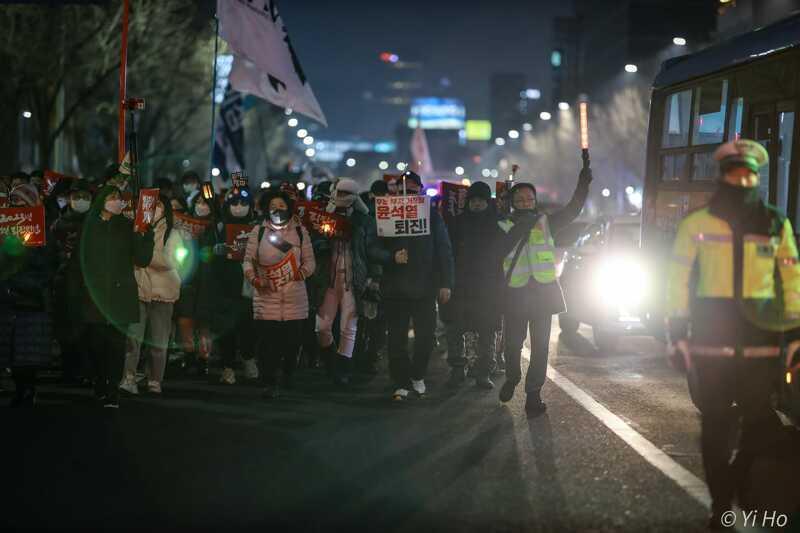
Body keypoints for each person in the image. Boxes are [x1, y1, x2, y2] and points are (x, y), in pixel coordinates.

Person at [665, 139, 800, 529]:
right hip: (711, 342)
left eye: (749, 174)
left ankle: (734, 483)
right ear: (723, 178)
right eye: (734, 173)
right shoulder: (697, 223)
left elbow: (791, 281)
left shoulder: (776, 222)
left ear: (756, 178)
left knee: (760, 424)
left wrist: (793, 335)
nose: (742, 180)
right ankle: (721, 506)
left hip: (761, 343)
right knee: (716, 427)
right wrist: (677, 332)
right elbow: (676, 281)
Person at [498, 167, 591, 417]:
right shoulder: (503, 225)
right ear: (512, 203)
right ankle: (512, 377)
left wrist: (584, 182)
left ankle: (533, 394)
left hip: (542, 296)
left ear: (535, 201)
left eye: (530, 198)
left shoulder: (546, 222)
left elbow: (574, 209)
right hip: (515, 296)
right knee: (512, 344)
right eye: (520, 199)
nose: (526, 203)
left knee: (540, 348)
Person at [372, 171, 454, 401]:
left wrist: (446, 282)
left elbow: (444, 250)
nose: (407, 192)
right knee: (396, 340)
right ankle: (401, 381)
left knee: (425, 338)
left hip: (425, 287)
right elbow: (371, 248)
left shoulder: (431, 215)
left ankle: (417, 375)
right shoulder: (385, 213)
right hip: (395, 289)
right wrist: (390, 257)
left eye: (412, 188)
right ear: (395, 191)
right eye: (402, 188)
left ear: (420, 190)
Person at [75, 184, 154, 408]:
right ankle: (100, 382)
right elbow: (78, 263)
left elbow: (142, 259)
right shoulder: (88, 227)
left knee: (116, 346)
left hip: (119, 295)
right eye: (112, 197)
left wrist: (146, 237)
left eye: (119, 198)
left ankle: (112, 390)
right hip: (94, 296)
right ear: (101, 201)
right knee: (96, 345)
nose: (117, 202)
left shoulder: (127, 227)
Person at [243, 189, 315, 398]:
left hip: (295, 297)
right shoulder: (259, 232)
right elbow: (248, 260)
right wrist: (254, 279)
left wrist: (302, 273)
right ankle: (268, 381)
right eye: (273, 206)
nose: (277, 210)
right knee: (268, 344)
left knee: (292, 342)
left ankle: (289, 374)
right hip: (266, 297)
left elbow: (310, 261)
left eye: (282, 206)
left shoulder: (301, 232)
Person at [313, 178, 381, 385]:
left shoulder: (364, 220)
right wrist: (322, 243)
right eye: (339, 193)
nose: (341, 198)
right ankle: (330, 362)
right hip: (328, 278)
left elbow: (372, 249)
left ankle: (343, 368)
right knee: (322, 326)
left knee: (348, 327)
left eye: (346, 194)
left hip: (354, 277)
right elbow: (313, 239)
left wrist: (374, 276)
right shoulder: (325, 215)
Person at [120, 194, 182, 395]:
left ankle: (155, 379)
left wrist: (143, 255)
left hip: (163, 294)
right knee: (133, 340)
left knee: (158, 342)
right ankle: (128, 377)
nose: (155, 210)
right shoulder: (136, 228)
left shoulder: (172, 234)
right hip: (139, 290)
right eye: (151, 206)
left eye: (159, 206)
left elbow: (171, 261)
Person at [0, 184, 56, 406]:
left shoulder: (42, 232)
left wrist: (25, 250)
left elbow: (49, 265)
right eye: (14, 203)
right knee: (12, 348)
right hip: (7, 298)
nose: (17, 207)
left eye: (22, 203)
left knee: (28, 350)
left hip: (31, 299)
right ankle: (19, 387)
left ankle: (29, 388)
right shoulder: (4, 231)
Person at [444, 181, 504, 389]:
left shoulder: (499, 223)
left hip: (489, 288)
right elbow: (447, 252)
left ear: (488, 202)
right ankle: (457, 368)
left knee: (487, 332)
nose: (477, 204)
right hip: (460, 286)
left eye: (481, 200)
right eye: (473, 200)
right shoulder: (457, 223)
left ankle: (483, 373)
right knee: (455, 328)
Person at [199, 186, 259, 385]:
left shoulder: (257, 226)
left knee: (248, 327)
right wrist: (215, 251)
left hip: (249, 286)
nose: (239, 208)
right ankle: (228, 367)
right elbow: (203, 254)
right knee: (227, 329)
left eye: (243, 204)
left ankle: (249, 360)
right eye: (235, 204)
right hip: (224, 285)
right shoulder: (218, 227)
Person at [51, 179, 93, 384]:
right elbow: (50, 254)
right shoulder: (58, 224)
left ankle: (85, 370)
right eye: (77, 197)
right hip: (64, 283)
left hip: (88, 286)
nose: (81, 201)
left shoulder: (96, 224)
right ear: (69, 199)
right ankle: (69, 370)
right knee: (66, 330)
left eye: (86, 197)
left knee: (86, 331)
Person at [173, 193, 214, 376]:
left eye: (205, 202)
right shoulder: (186, 225)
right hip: (188, 278)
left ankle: (204, 358)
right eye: (198, 202)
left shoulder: (217, 227)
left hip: (209, 281)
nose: (201, 205)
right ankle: (188, 354)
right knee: (185, 319)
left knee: (204, 322)